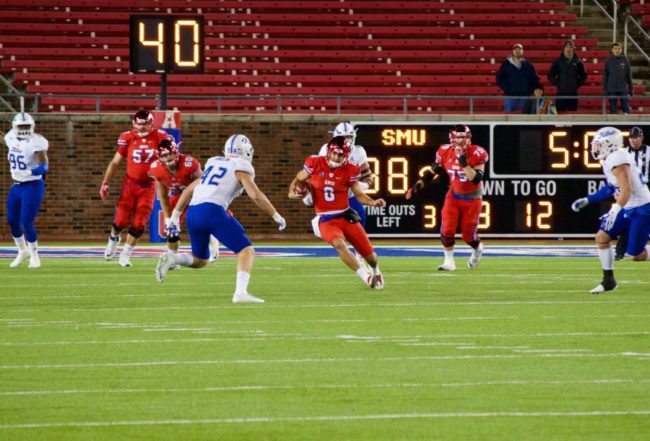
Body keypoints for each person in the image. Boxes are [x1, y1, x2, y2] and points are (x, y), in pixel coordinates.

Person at [155, 134, 287, 304]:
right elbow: (255, 194)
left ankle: (174, 258)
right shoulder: (241, 166)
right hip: (212, 210)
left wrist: (175, 215)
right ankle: (240, 293)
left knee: (200, 260)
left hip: (193, 211)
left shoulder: (214, 162)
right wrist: (275, 215)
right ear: (246, 151)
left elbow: (188, 190)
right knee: (246, 250)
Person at [289, 135, 386, 289]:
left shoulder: (351, 169)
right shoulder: (314, 163)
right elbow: (299, 178)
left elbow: (359, 194)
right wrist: (291, 191)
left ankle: (375, 270)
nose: (336, 157)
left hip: (346, 216)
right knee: (338, 244)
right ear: (328, 151)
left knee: (372, 257)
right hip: (326, 219)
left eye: (341, 154)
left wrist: (373, 202)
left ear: (346, 155)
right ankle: (366, 277)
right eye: (334, 153)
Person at [405, 125, 488, 271]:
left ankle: (477, 248)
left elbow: (475, 179)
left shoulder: (477, 152)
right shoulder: (444, 151)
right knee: (447, 229)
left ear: (469, 137)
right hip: (454, 195)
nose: (461, 140)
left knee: (468, 236)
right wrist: (417, 186)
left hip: (473, 198)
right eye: (458, 137)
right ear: (452, 138)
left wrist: (463, 162)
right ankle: (449, 262)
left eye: (464, 137)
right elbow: (432, 172)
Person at [99, 110, 172, 267]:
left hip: (149, 186)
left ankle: (125, 254)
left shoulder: (161, 137)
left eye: (146, 124)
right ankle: (113, 238)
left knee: (139, 222)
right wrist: (105, 182)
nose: (143, 127)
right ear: (134, 123)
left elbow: (171, 158)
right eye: (140, 123)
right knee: (121, 220)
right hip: (130, 184)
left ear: (151, 124)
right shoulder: (127, 137)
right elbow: (115, 162)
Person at [582, 127, 650, 294]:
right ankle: (608, 280)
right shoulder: (610, 160)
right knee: (602, 237)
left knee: (636, 254)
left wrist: (614, 210)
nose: (595, 148)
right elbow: (614, 188)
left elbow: (627, 190)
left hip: (642, 208)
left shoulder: (617, 159)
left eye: (598, 144)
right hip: (628, 206)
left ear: (608, 144)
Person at [311, 122, 374, 267]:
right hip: (331, 193)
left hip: (349, 193)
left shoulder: (358, 151)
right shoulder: (326, 150)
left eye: (349, 136)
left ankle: (360, 255)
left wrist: (359, 185)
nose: (347, 139)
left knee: (360, 217)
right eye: (343, 136)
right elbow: (318, 172)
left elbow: (368, 177)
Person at [148, 138, 220, 264]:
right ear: (160, 158)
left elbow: (204, 183)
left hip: (197, 195)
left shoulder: (189, 163)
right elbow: (163, 195)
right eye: (165, 155)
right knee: (171, 229)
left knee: (202, 222)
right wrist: (167, 218)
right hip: (177, 196)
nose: (169, 158)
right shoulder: (156, 169)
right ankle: (172, 258)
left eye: (171, 153)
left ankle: (213, 244)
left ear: (176, 152)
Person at [4, 112, 49, 269]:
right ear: (14, 127)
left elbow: (44, 166)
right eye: (21, 126)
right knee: (11, 220)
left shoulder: (36, 142)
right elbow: (7, 141)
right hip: (17, 185)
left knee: (26, 220)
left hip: (32, 185)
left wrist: (30, 172)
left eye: (26, 126)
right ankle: (22, 251)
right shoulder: (10, 137)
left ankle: (35, 255)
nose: (23, 129)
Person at [496, 43, 544, 113]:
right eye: (515, 49)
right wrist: (508, 89)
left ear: (523, 51)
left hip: (525, 96)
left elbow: (535, 79)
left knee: (526, 118)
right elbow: (499, 78)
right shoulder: (506, 64)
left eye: (520, 49)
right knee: (508, 118)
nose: (517, 51)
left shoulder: (528, 65)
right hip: (510, 96)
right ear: (512, 51)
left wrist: (530, 89)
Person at [547, 40, 588, 112]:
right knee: (560, 116)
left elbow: (584, 76)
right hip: (561, 93)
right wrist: (559, 84)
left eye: (570, 47)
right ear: (564, 48)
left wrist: (576, 84)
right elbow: (550, 75)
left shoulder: (578, 62)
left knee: (572, 116)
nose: (568, 49)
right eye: (567, 47)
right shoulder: (558, 61)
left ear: (573, 49)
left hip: (573, 93)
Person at [603, 42, 633, 115]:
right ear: (612, 50)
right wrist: (605, 89)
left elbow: (629, 75)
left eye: (619, 48)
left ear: (621, 50)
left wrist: (631, 89)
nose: (617, 50)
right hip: (611, 88)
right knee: (613, 110)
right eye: (615, 49)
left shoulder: (625, 60)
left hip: (622, 88)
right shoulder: (608, 61)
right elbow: (605, 76)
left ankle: (627, 124)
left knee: (626, 109)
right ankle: (614, 123)